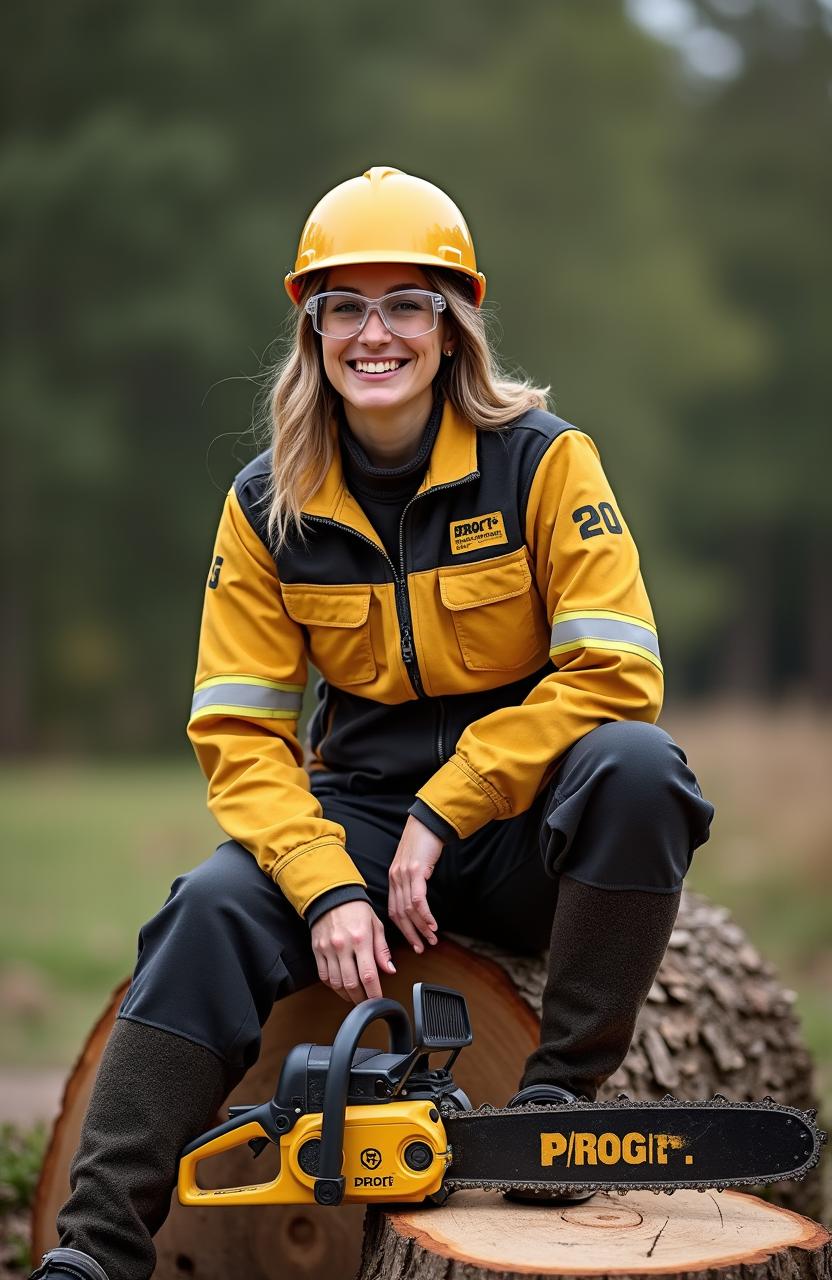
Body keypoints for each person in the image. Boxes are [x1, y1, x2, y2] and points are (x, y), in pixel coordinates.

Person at [32, 165, 714, 1280]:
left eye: (406, 303)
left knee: (640, 770)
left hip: (523, 823)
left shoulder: (546, 461)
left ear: (453, 327)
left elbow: (613, 673)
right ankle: (96, 1249)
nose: (374, 333)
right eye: (344, 306)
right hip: (353, 814)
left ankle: (554, 1105)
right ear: (311, 331)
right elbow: (240, 734)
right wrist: (325, 882)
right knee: (206, 904)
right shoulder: (265, 503)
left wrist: (450, 807)